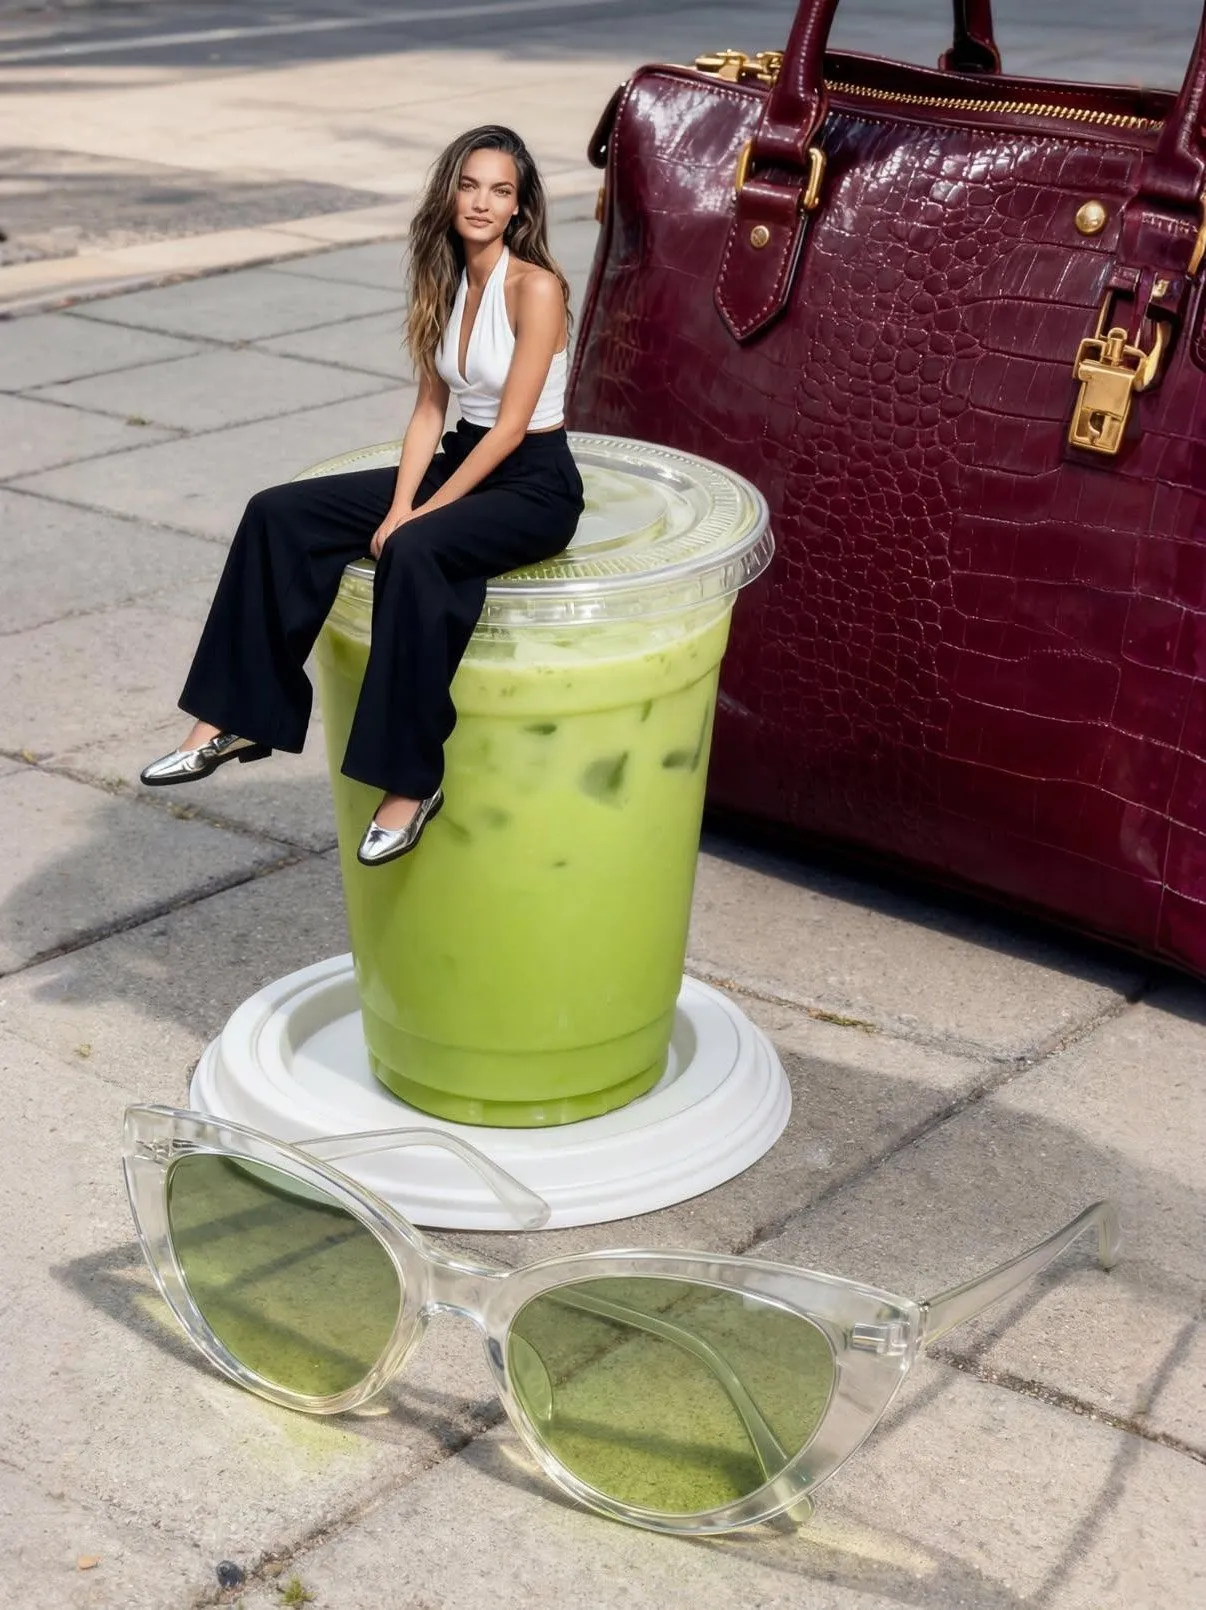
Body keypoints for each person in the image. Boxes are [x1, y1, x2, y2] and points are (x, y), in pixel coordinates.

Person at [140, 125, 584, 867]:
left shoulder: (535, 285)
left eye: (499, 190)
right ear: (449, 191)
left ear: (518, 208)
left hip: (534, 483)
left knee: (415, 549)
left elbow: (510, 430)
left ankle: (411, 783)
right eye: (469, 184)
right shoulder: (445, 278)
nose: (480, 202)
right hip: (460, 460)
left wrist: (419, 517)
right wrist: (399, 501)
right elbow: (428, 415)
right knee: (277, 512)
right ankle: (235, 717)